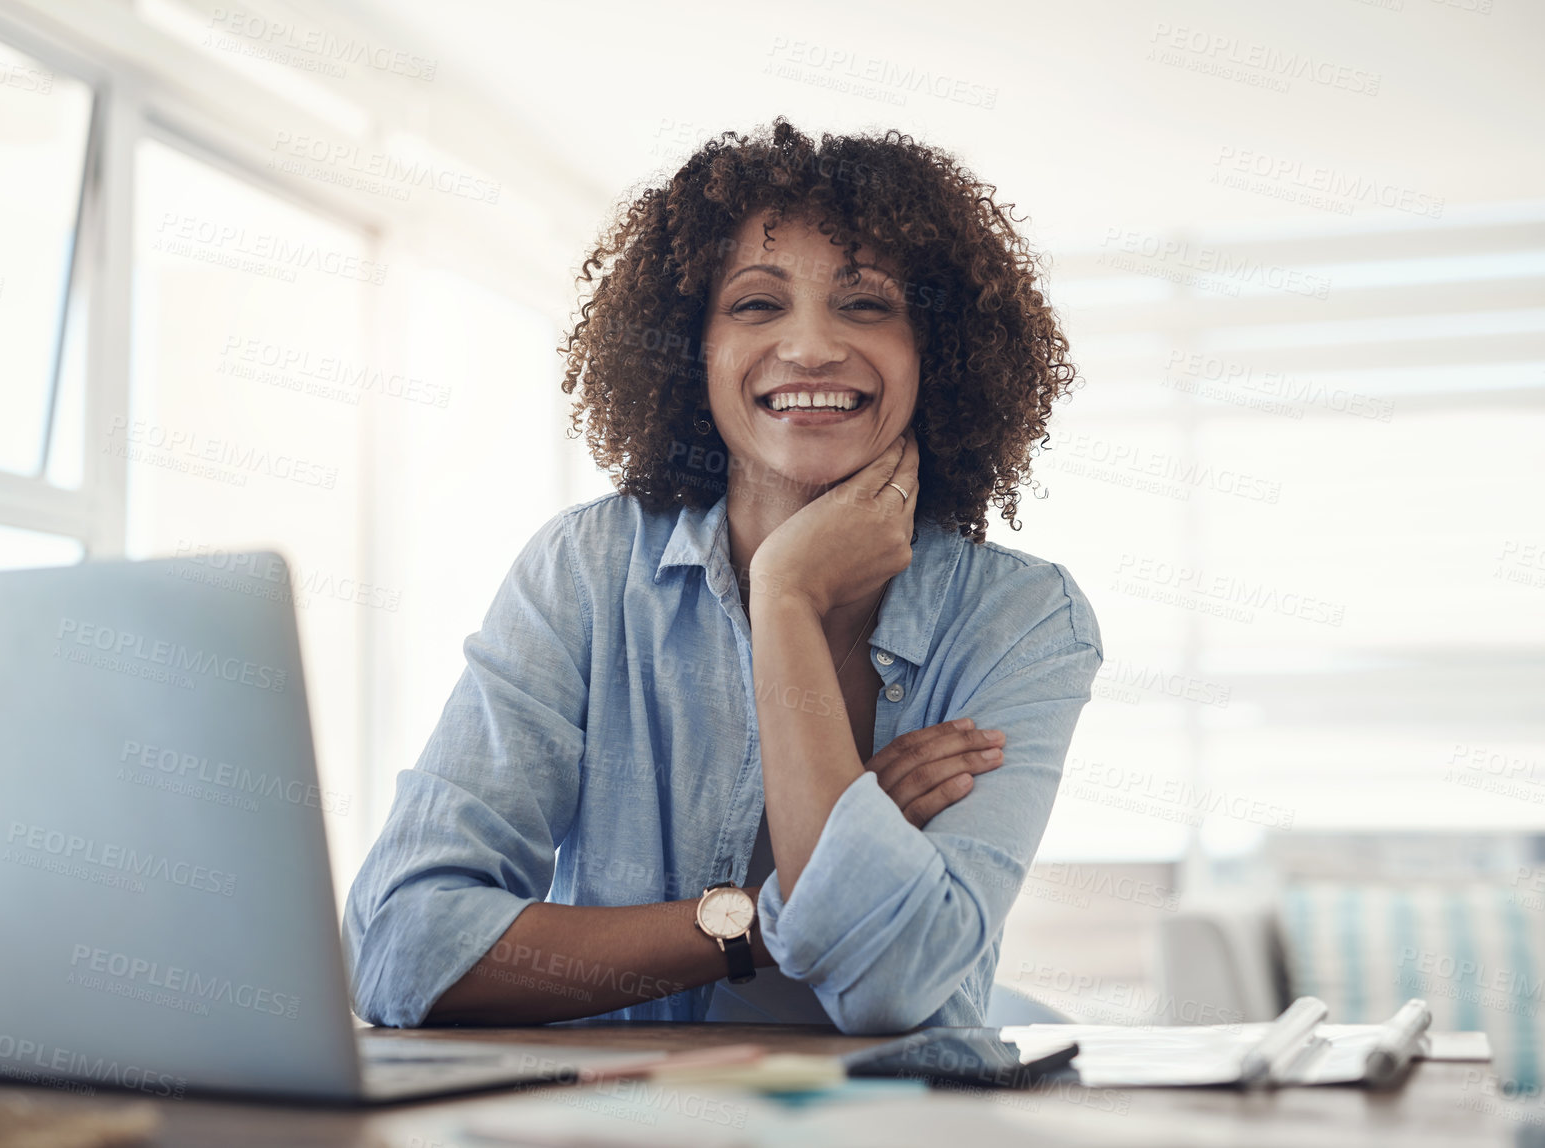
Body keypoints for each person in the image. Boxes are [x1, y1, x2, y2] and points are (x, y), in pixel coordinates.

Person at [342, 118, 1102, 1035]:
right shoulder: (586, 573)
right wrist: (761, 919)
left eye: (866, 305)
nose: (813, 346)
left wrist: (784, 595)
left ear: (935, 349)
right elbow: (401, 945)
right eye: (754, 304)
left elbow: (891, 983)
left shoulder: (1022, 620)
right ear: (691, 347)